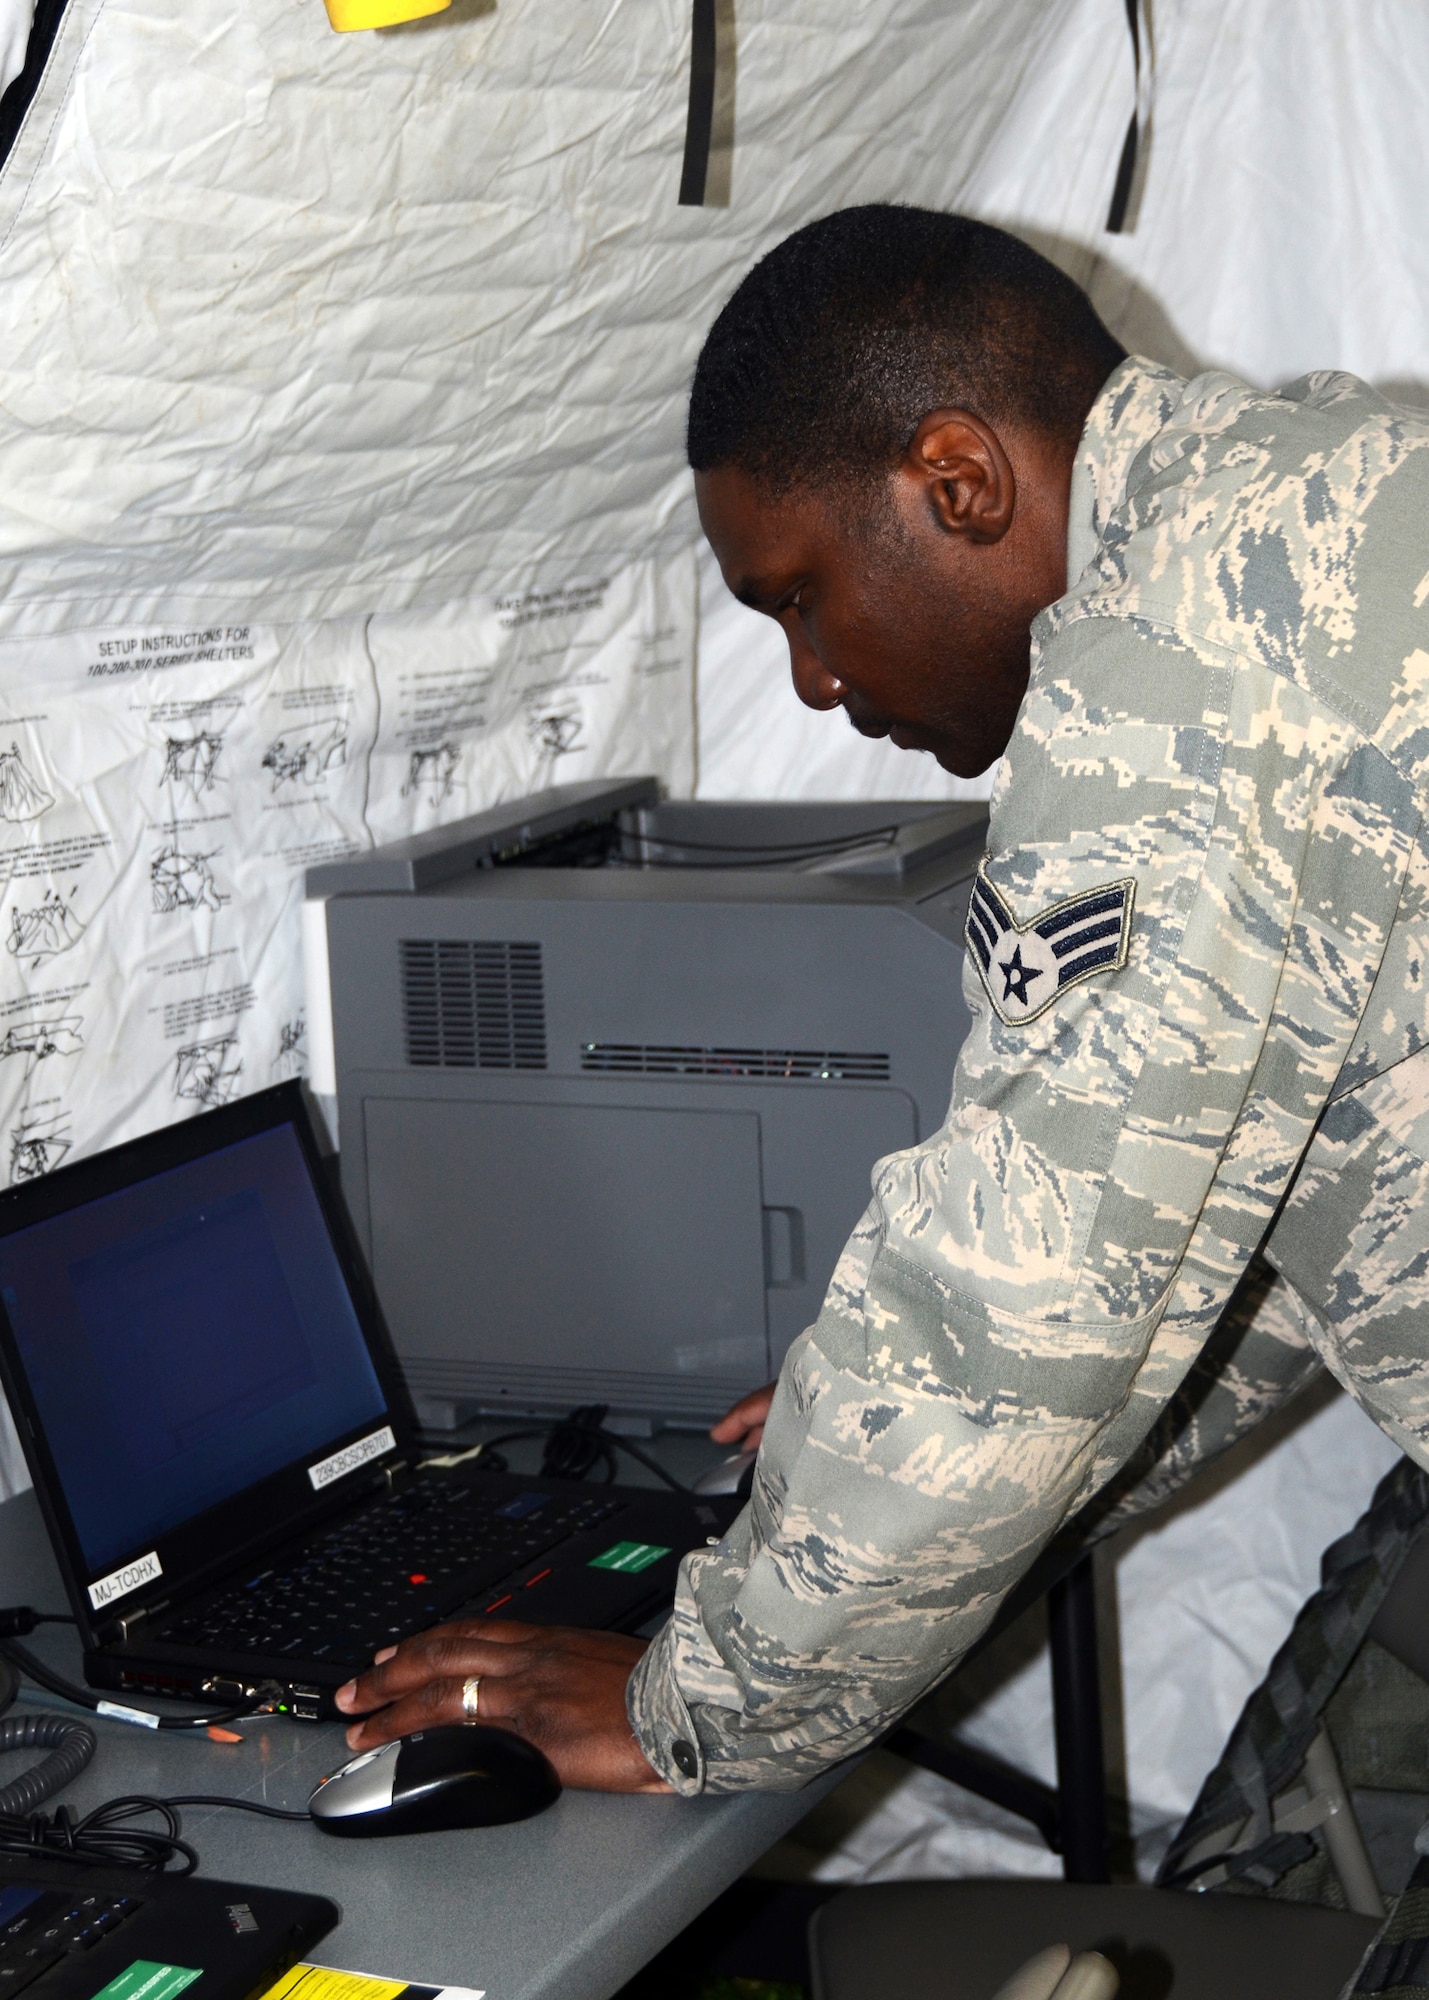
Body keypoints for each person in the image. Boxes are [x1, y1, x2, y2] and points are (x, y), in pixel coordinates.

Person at [335, 204, 1429, 1796]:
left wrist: (690, 1701)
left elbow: (1016, 1311)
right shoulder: (1319, 487)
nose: (812, 680)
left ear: (956, 482)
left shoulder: (1176, 672)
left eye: (796, 594)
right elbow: (1306, 1194)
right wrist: (881, 1444)